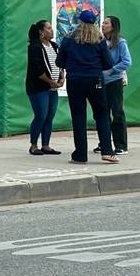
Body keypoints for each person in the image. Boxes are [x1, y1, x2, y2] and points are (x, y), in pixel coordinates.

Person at [55, 10, 119, 164]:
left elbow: (59, 62)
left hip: (75, 80)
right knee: (102, 114)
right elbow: (108, 63)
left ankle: (80, 155)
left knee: (78, 116)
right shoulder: (99, 40)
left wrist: (72, 64)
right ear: (94, 23)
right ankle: (107, 151)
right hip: (95, 80)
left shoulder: (68, 39)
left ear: (79, 21)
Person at [25, 20, 63, 156]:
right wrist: (50, 81)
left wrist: (61, 78)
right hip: (39, 87)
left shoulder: (54, 46)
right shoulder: (35, 47)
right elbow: (37, 68)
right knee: (41, 115)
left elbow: (60, 64)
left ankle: (46, 145)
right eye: (48, 28)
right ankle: (33, 145)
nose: (51, 30)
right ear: (41, 31)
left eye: (51, 28)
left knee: (50, 116)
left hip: (53, 88)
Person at [101, 15, 132, 155]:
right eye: (103, 23)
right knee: (103, 113)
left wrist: (111, 70)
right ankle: (104, 143)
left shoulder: (120, 42)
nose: (103, 25)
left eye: (106, 23)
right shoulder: (101, 42)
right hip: (102, 82)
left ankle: (121, 145)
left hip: (114, 81)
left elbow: (127, 62)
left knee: (117, 112)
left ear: (113, 26)